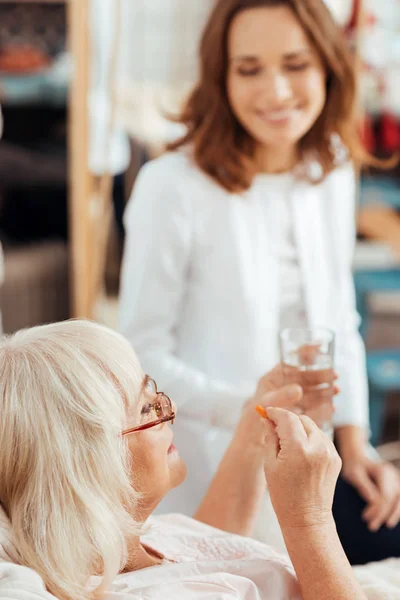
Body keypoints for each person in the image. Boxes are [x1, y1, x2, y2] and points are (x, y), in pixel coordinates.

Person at [118, 0, 400, 563]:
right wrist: (250, 409)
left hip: (311, 460)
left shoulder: (332, 167)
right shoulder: (171, 186)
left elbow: (337, 316)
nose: (275, 92)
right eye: (249, 69)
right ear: (221, 77)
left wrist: (356, 439)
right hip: (213, 470)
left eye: (295, 64)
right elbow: (140, 356)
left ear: (328, 67)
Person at [0, 319, 371, 600]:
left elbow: (209, 554)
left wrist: (251, 431)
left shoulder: (121, 543)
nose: (171, 407)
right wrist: (309, 519)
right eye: (148, 408)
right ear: (91, 461)